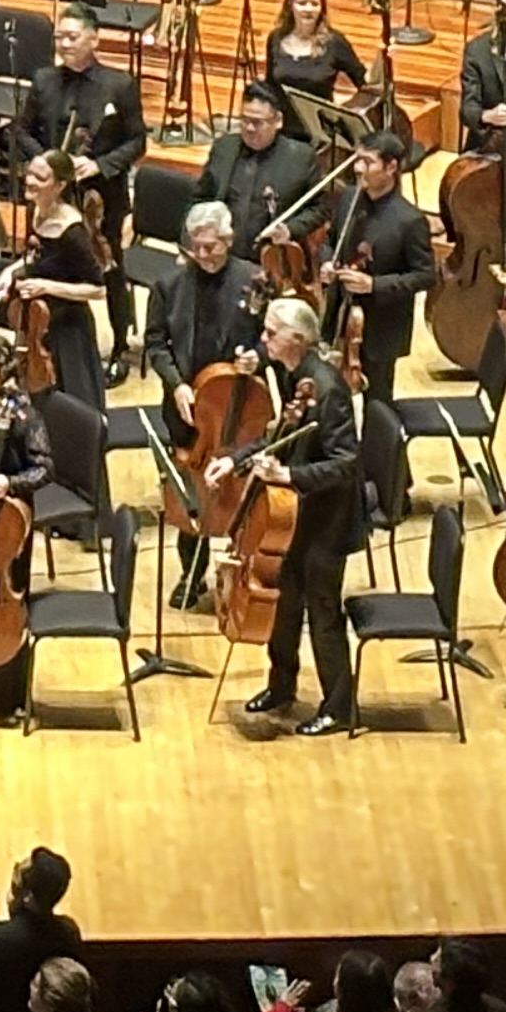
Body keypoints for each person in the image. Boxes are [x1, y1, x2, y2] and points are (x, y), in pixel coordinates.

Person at [214, 297, 362, 734]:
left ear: (297, 340)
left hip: (327, 523)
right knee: (285, 603)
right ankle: (281, 686)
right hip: (296, 516)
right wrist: (237, 461)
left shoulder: (328, 389)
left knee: (321, 611)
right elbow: (279, 436)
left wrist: (289, 474)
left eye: (271, 333)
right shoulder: (296, 377)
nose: (262, 339)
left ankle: (339, 706)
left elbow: (347, 462)